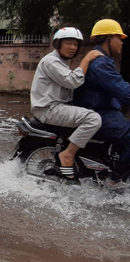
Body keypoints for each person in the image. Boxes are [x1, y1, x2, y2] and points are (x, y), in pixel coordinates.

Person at [30, 27, 103, 179]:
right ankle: (68, 155)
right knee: (93, 119)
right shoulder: (51, 61)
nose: (72, 48)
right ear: (58, 44)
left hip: (57, 107)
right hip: (49, 109)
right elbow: (73, 81)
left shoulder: (60, 62)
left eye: (76, 45)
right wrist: (87, 59)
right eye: (69, 43)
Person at [73, 19, 130, 177]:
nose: (122, 43)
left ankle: (116, 164)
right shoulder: (100, 64)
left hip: (106, 111)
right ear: (109, 38)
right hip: (99, 113)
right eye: (120, 38)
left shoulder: (104, 61)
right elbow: (121, 88)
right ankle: (116, 179)